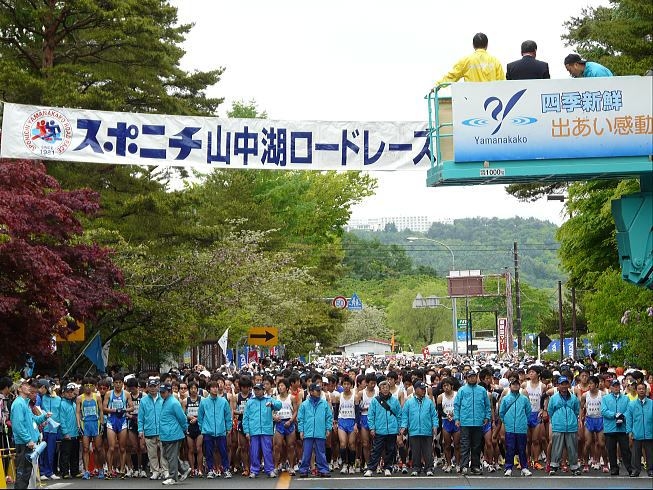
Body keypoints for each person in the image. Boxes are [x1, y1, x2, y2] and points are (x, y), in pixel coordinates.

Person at [10, 380, 51, 489]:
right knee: (23, 474)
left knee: (25, 474)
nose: (29, 387)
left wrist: (44, 417)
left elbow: (32, 420)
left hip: (27, 443)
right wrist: (28, 440)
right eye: (26, 385)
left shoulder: (24, 402)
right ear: (19, 389)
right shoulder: (19, 403)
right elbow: (18, 426)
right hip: (25, 443)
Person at [454, 370, 491, 475]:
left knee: (476, 446)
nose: (472, 378)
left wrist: (487, 417)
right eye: (470, 377)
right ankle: (464, 466)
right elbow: (457, 405)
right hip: (465, 422)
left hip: (479, 422)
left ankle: (475, 466)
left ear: (477, 377)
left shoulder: (482, 390)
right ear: (467, 378)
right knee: (465, 445)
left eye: (474, 376)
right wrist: (457, 418)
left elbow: (487, 405)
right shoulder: (462, 390)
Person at [363, 380, 402, 477]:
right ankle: (371, 468)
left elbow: (399, 415)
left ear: (389, 389)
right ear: (380, 389)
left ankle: (388, 467)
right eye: (383, 388)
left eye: (387, 387)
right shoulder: (375, 401)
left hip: (392, 429)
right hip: (380, 429)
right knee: (376, 450)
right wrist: (372, 428)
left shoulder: (394, 400)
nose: (385, 389)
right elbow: (371, 415)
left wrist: (399, 427)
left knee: (390, 450)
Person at [242, 383, 282, 478]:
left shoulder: (269, 399)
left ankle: (269, 470)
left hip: (266, 430)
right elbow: (245, 417)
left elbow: (279, 405)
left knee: (267, 451)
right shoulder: (250, 402)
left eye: (259, 389)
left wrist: (272, 404)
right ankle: (254, 470)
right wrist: (247, 431)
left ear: (263, 390)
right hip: (254, 430)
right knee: (254, 451)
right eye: (255, 389)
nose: (257, 391)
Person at [400, 380, 438, 476]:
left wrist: (435, 426)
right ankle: (416, 468)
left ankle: (429, 468)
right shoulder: (409, 402)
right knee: (415, 451)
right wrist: (403, 426)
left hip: (427, 430)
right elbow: (405, 415)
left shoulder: (429, 402)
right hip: (414, 430)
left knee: (428, 451)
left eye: (424, 389)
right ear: (415, 389)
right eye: (421, 389)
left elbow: (434, 415)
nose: (423, 391)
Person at [436, 32, 505, 86]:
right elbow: (502, 83)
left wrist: (437, 85)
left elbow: (451, 76)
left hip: (471, 101)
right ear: (487, 45)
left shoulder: (466, 60)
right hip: (490, 101)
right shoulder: (495, 61)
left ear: (473, 45)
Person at [197, 379, 233, 479]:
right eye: (213, 387)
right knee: (208, 452)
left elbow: (227, 415)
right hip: (208, 431)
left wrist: (228, 427)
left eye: (216, 387)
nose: (215, 389)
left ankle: (226, 469)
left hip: (221, 430)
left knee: (223, 451)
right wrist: (202, 428)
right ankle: (210, 470)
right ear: (208, 389)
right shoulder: (204, 402)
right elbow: (200, 416)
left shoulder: (223, 401)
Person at [158, 383, 192, 485]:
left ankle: (173, 477)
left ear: (169, 392)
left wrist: (185, 428)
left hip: (173, 433)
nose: (161, 394)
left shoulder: (173, 403)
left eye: (163, 392)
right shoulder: (166, 401)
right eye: (161, 392)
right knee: (167, 455)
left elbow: (182, 417)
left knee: (171, 456)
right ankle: (183, 469)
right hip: (166, 433)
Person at [297, 383, 332, 478]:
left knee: (321, 452)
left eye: (320, 390)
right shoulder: (304, 405)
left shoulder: (324, 403)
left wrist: (328, 428)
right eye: (317, 390)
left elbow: (329, 417)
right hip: (308, 432)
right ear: (311, 392)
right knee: (306, 452)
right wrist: (301, 430)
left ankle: (323, 469)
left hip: (320, 431)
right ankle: (304, 469)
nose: (319, 392)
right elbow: (300, 418)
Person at [548, 376, 581, 476]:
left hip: (571, 426)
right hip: (558, 425)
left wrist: (573, 420)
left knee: (572, 448)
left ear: (568, 385)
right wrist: (556, 420)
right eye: (562, 384)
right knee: (557, 447)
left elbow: (576, 411)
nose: (564, 386)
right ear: (558, 385)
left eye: (566, 384)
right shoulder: (553, 398)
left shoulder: (574, 398)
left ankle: (574, 467)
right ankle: (554, 466)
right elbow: (550, 411)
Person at [499, 378, 532, 477]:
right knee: (510, 448)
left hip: (521, 427)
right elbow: (501, 412)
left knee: (522, 448)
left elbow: (528, 412)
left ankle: (524, 467)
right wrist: (507, 422)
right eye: (513, 384)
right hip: (510, 428)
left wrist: (524, 421)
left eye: (517, 384)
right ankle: (508, 467)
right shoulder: (506, 399)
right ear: (510, 386)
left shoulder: (524, 399)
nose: (516, 386)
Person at [138, 378, 168, 480]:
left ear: (158, 386)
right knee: (152, 453)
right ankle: (155, 471)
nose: (153, 389)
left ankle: (165, 471)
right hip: (149, 429)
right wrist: (140, 430)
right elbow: (140, 417)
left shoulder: (163, 398)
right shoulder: (143, 400)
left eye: (154, 386)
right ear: (147, 388)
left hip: (162, 430)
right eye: (150, 386)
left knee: (164, 452)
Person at [601, 379, 633, 476]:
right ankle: (614, 468)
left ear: (620, 387)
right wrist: (614, 415)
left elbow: (628, 410)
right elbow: (603, 411)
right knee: (611, 449)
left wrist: (623, 416)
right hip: (610, 428)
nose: (616, 388)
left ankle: (630, 468)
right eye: (614, 386)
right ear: (610, 387)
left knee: (625, 449)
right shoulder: (605, 398)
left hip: (622, 427)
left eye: (617, 386)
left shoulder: (626, 398)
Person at [625, 381, 653, 477]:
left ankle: (650, 470)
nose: (641, 390)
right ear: (636, 390)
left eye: (643, 389)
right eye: (639, 389)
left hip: (649, 432)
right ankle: (636, 470)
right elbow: (629, 419)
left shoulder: (651, 403)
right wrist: (629, 432)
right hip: (636, 432)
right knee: (635, 453)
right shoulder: (632, 404)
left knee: (650, 453)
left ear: (646, 390)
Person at [36, 378, 61, 480]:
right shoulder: (40, 397)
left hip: (53, 429)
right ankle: (41, 472)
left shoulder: (58, 399)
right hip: (43, 427)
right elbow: (37, 410)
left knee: (50, 451)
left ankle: (49, 472)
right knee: (41, 450)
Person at [438, 377, 460, 473]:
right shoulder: (440, 397)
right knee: (446, 444)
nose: (445, 387)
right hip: (446, 421)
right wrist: (446, 415)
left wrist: (454, 415)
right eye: (444, 386)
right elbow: (439, 411)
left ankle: (458, 464)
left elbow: (460, 407)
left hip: (456, 421)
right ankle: (449, 464)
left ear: (452, 386)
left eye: (447, 385)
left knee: (457, 444)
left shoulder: (457, 395)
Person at [59, 383, 80, 479]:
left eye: (71, 392)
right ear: (63, 394)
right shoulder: (62, 404)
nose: (70, 394)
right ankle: (65, 472)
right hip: (67, 434)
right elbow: (62, 419)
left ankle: (75, 471)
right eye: (68, 392)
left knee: (74, 453)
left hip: (75, 433)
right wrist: (65, 432)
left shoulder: (74, 404)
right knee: (65, 454)